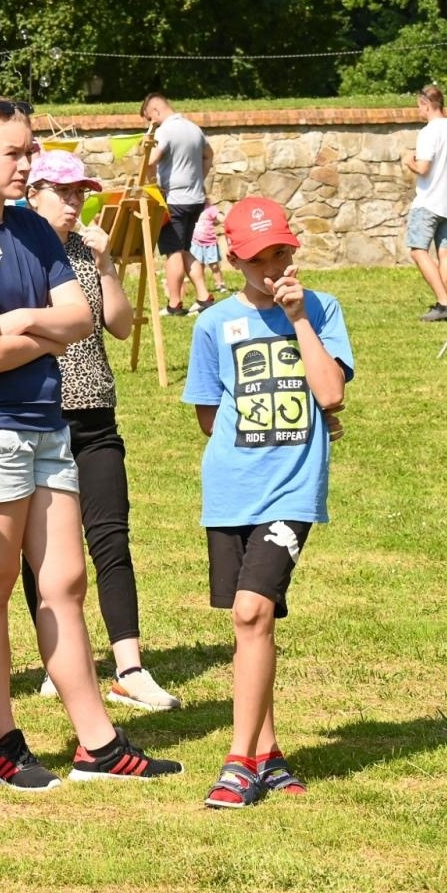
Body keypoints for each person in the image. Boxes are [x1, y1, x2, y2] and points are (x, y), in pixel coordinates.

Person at [0, 96, 181, 792]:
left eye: (29, 149)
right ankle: (3, 746)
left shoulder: (36, 232)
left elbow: (81, 317)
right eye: (15, 151)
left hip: (46, 424)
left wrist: (27, 319)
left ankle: (97, 744)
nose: (26, 162)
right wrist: (35, 332)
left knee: (64, 582)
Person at [181, 197, 352, 809]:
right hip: (231, 491)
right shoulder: (212, 325)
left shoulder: (323, 310)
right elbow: (207, 415)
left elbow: (330, 394)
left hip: (291, 490)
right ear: (234, 258)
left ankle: (238, 761)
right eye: (260, 257)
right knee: (255, 623)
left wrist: (300, 320)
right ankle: (271, 752)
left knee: (251, 613)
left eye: (282, 252)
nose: (274, 265)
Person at [16, 151, 181, 712]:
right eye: (62, 192)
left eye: (80, 192)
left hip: (95, 414)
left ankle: (129, 666)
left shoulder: (86, 250)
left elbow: (119, 323)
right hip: (39, 417)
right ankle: (57, 661)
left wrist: (107, 266)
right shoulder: (15, 250)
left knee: (110, 537)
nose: (73, 202)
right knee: (41, 554)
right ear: (32, 191)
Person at [141, 92, 216, 317]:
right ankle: (203, 297)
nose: (150, 125)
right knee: (185, 249)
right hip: (195, 199)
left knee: (172, 251)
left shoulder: (166, 130)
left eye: (148, 119)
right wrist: (198, 179)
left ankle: (175, 304)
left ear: (155, 111)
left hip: (174, 200)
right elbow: (209, 155)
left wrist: (151, 180)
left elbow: (150, 160)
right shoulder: (194, 128)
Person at [402, 84, 447, 322]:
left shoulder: (429, 132)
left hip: (429, 200)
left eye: (418, 107)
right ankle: (445, 306)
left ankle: (444, 301)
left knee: (418, 250)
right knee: (444, 250)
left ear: (426, 104)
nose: (418, 112)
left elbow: (423, 167)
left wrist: (409, 160)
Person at [192, 202, 227, 294]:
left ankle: (220, 284)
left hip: (210, 243)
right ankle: (201, 288)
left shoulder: (210, 208)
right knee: (199, 267)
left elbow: (220, 217)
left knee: (214, 266)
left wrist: (225, 220)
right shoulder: (192, 208)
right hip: (196, 243)